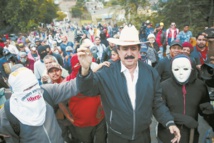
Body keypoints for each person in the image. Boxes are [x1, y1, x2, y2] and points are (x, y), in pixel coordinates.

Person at [76, 25, 181, 143]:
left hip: (143, 136)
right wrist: (85, 70)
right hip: (116, 137)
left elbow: (157, 103)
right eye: (125, 49)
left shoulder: (150, 73)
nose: (129, 53)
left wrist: (169, 122)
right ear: (118, 51)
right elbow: (86, 89)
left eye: (133, 48)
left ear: (139, 50)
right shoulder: (107, 72)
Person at [0, 64, 78, 143]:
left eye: (33, 85)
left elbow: (72, 86)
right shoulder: (8, 113)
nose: (31, 92)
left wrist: (85, 72)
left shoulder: (45, 92)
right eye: (26, 88)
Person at [158, 54, 211, 143]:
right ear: (171, 70)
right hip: (168, 135)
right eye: (176, 69)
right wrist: (182, 119)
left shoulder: (200, 86)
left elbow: (203, 109)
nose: (181, 73)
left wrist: (208, 112)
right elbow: (159, 110)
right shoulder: (164, 86)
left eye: (185, 69)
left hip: (191, 135)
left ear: (192, 68)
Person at [64, 54, 107, 143]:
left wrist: (101, 65)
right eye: (78, 63)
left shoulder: (92, 76)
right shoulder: (67, 82)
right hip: (82, 124)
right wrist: (68, 116)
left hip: (99, 119)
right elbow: (60, 101)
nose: (81, 65)